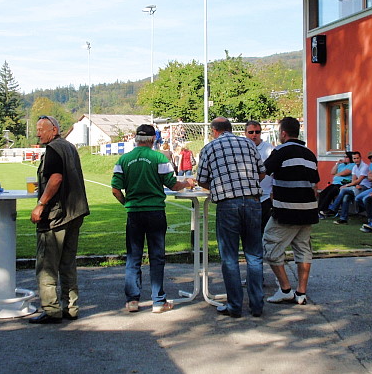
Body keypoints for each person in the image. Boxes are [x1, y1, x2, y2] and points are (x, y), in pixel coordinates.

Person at [111, 124, 195, 313]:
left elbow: (115, 189)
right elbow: (173, 185)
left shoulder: (124, 159)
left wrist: (127, 204)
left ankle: (132, 300)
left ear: (136, 138)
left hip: (134, 212)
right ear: (152, 139)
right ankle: (158, 301)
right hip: (155, 211)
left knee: (133, 257)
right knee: (157, 257)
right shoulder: (159, 157)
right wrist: (187, 183)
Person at [197, 117, 265, 318]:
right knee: (254, 256)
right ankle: (257, 305)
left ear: (214, 131)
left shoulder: (209, 148)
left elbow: (202, 179)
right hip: (253, 202)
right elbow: (262, 173)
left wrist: (218, 186)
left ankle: (235, 306)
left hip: (228, 204)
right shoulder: (248, 143)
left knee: (230, 258)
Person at [29, 116, 90, 324]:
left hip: (57, 215)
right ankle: (71, 307)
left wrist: (41, 203)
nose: (38, 133)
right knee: (68, 264)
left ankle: (52, 309)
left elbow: (56, 178)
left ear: (53, 130)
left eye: (41, 129)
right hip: (75, 213)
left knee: (46, 265)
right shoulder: (69, 147)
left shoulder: (53, 149)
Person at [263, 117, 319, 306]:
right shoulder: (310, 154)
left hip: (286, 210)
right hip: (308, 210)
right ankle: (301, 293)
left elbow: (263, 171)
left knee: (270, 247)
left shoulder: (280, 150)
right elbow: (314, 184)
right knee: (303, 250)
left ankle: (285, 289)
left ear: (283, 133)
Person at [325, 151, 372, 224]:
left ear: (360, 158)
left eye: (357, 158)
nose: (356, 160)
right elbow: (354, 180)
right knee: (346, 197)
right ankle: (343, 219)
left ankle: (333, 209)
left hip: (365, 187)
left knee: (343, 190)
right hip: (357, 187)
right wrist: (355, 185)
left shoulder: (364, 167)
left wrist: (347, 185)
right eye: (354, 158)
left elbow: (359, 180)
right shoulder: (355, 167)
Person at [244, 120, 274, 234]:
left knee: (265, 231)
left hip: (265, 196)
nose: (254, 135)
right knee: (249, 232)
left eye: (257, 132)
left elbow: (275, 173)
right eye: (251, 132)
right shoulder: (241, 148)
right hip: (247, 196)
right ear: (245, 133)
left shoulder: (269, 149)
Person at [317, 152, 354, 217]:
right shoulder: (341, 165)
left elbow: (345, 173)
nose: (344, 158)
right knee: (323, 193)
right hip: (334, 183)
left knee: (330, 194)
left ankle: (323, 211)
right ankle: (319, 210)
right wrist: (337, 164)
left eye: (346, 157)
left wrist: (337, 174)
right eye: (344, 157)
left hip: (342, 184)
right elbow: (332, 172)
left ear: (350, 158)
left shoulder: (352, 165)